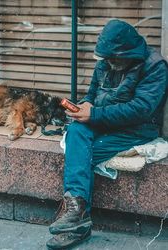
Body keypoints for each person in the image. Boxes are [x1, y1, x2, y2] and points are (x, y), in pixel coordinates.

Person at [46, 19, 168, 249]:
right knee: (75, 131)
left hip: (135, 129)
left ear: (128, 51)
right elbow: (92, 93)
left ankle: (77, 219)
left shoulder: (155, 65)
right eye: (107, 58)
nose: (110, 62)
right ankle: (76, 213)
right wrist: (83, 107)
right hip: (102, 121)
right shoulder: (107, 61)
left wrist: (94, 115)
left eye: (114, 58)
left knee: (81, 153)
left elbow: (141, 109)